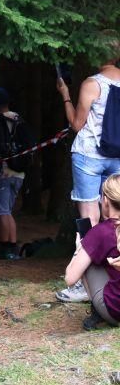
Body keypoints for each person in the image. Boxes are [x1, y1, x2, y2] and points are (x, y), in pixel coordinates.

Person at [56, 38, 120, 302]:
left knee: (89, 219)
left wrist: (65, 94)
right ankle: (111, 276)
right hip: (117, 156)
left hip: (89, 155)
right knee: (115, 218)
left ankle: (84, 284)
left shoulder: (92, 83)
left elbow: (77, 124)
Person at [64, 174, 120, 330]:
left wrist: (80, 249)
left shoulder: (100, 232)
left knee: (88, 259)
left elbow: (70, 279)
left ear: (106, 200)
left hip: (115, 312)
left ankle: (97, 312)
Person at [0, 87, 34, 260]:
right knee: (6, 210)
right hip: (19, 173)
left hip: (5, 172)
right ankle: (9, 246)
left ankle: (7, 248)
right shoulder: (18, 119)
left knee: (2, 211)